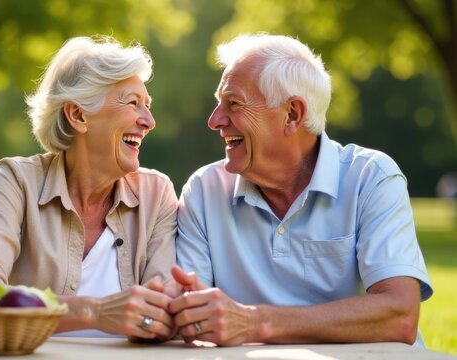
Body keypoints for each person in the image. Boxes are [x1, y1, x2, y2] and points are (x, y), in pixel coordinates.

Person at [169, 33, 433, 347]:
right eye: (218, 104)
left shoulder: (371, 177)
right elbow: (191, 317)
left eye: (233, 103)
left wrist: (255, 322)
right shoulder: (204, 190)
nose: (215, 120)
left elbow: (399, 315)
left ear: (292, 114)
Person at [0, 35, 177, 341]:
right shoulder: (18, 181)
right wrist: (93, 312)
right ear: (78, 115)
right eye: (133, 103)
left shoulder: (156, 194)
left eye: (148, 106)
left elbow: (164, 307)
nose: (149, 121)